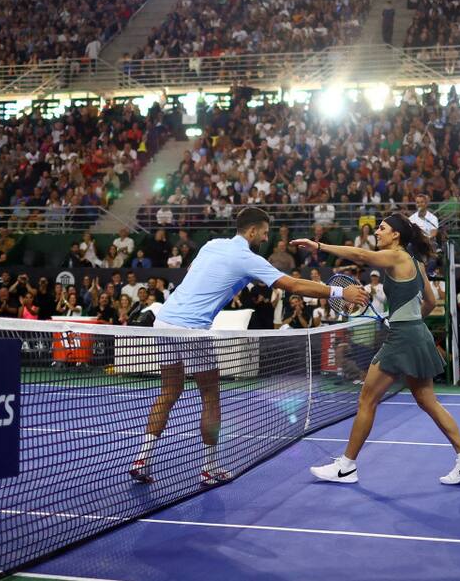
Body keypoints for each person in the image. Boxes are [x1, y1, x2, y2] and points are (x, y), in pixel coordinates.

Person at [130, 208, 368, 487]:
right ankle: (209, 468)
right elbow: (291, 284)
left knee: (169, 392)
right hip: (190, 328)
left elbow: (197, 274)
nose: (266, 237)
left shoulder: (211, 245)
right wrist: (340, 292)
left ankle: (141, 459)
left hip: (164, 321)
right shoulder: (247, 258)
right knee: (211, 397)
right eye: (265, 232)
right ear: (252, 231)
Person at [299, 214, 460, 486]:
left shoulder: (396, 257)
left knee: (367, 399)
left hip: (402, 338)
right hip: (416, 333)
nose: (378, 231)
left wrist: (320, 246)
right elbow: (430, 301)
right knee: (427, 401)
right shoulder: (416, 263)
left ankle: (346, 466)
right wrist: (401, 317)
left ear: (396, 235)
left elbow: (360, 255)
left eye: (382, 228)